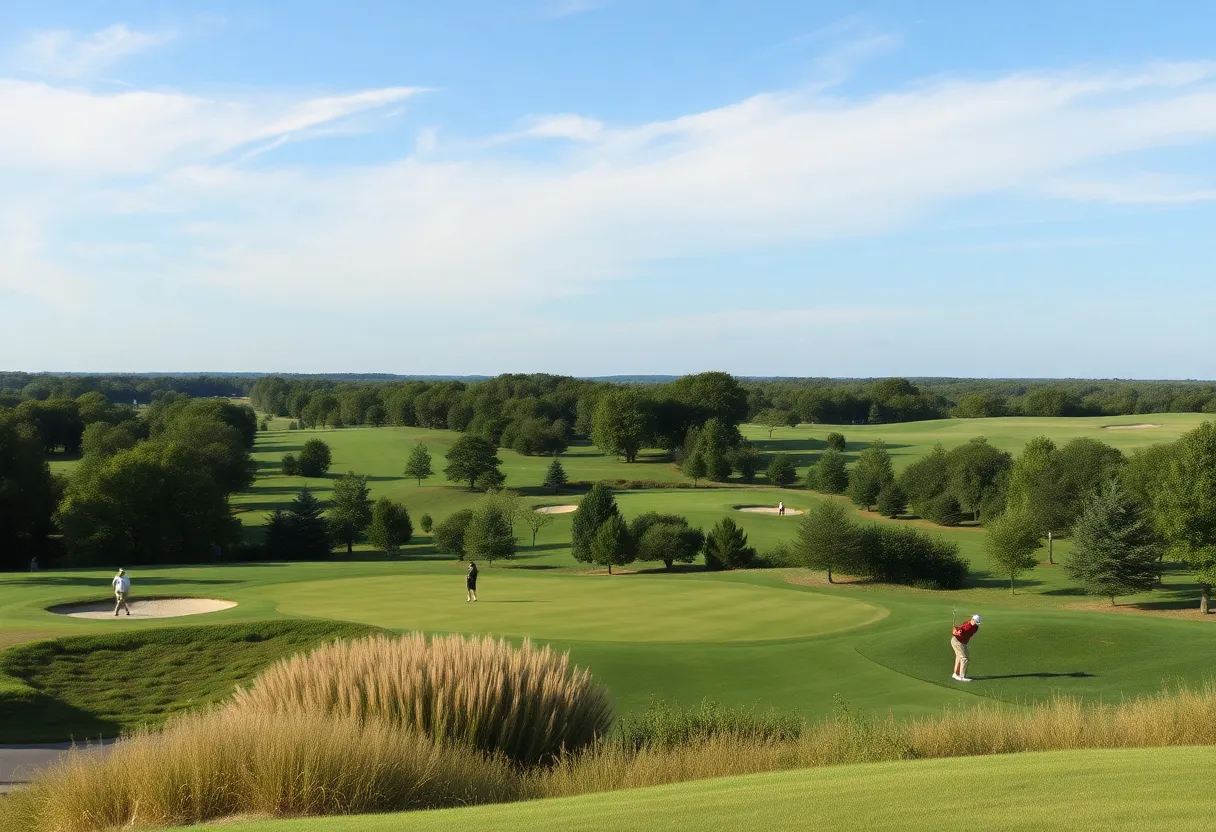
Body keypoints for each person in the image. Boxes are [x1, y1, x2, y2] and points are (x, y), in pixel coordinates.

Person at [951, 614, 981, 681]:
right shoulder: (967, 625)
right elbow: (958, 629)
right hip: (957, 642)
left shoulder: (976, 627)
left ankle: (955, 674)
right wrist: (956, 631)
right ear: (972, 619)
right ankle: (962, 677)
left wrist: (959, 632)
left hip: (962, 642)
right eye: (975, 622)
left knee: (959, 657)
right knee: (965, 658)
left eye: (977, 622)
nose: (976, 623)